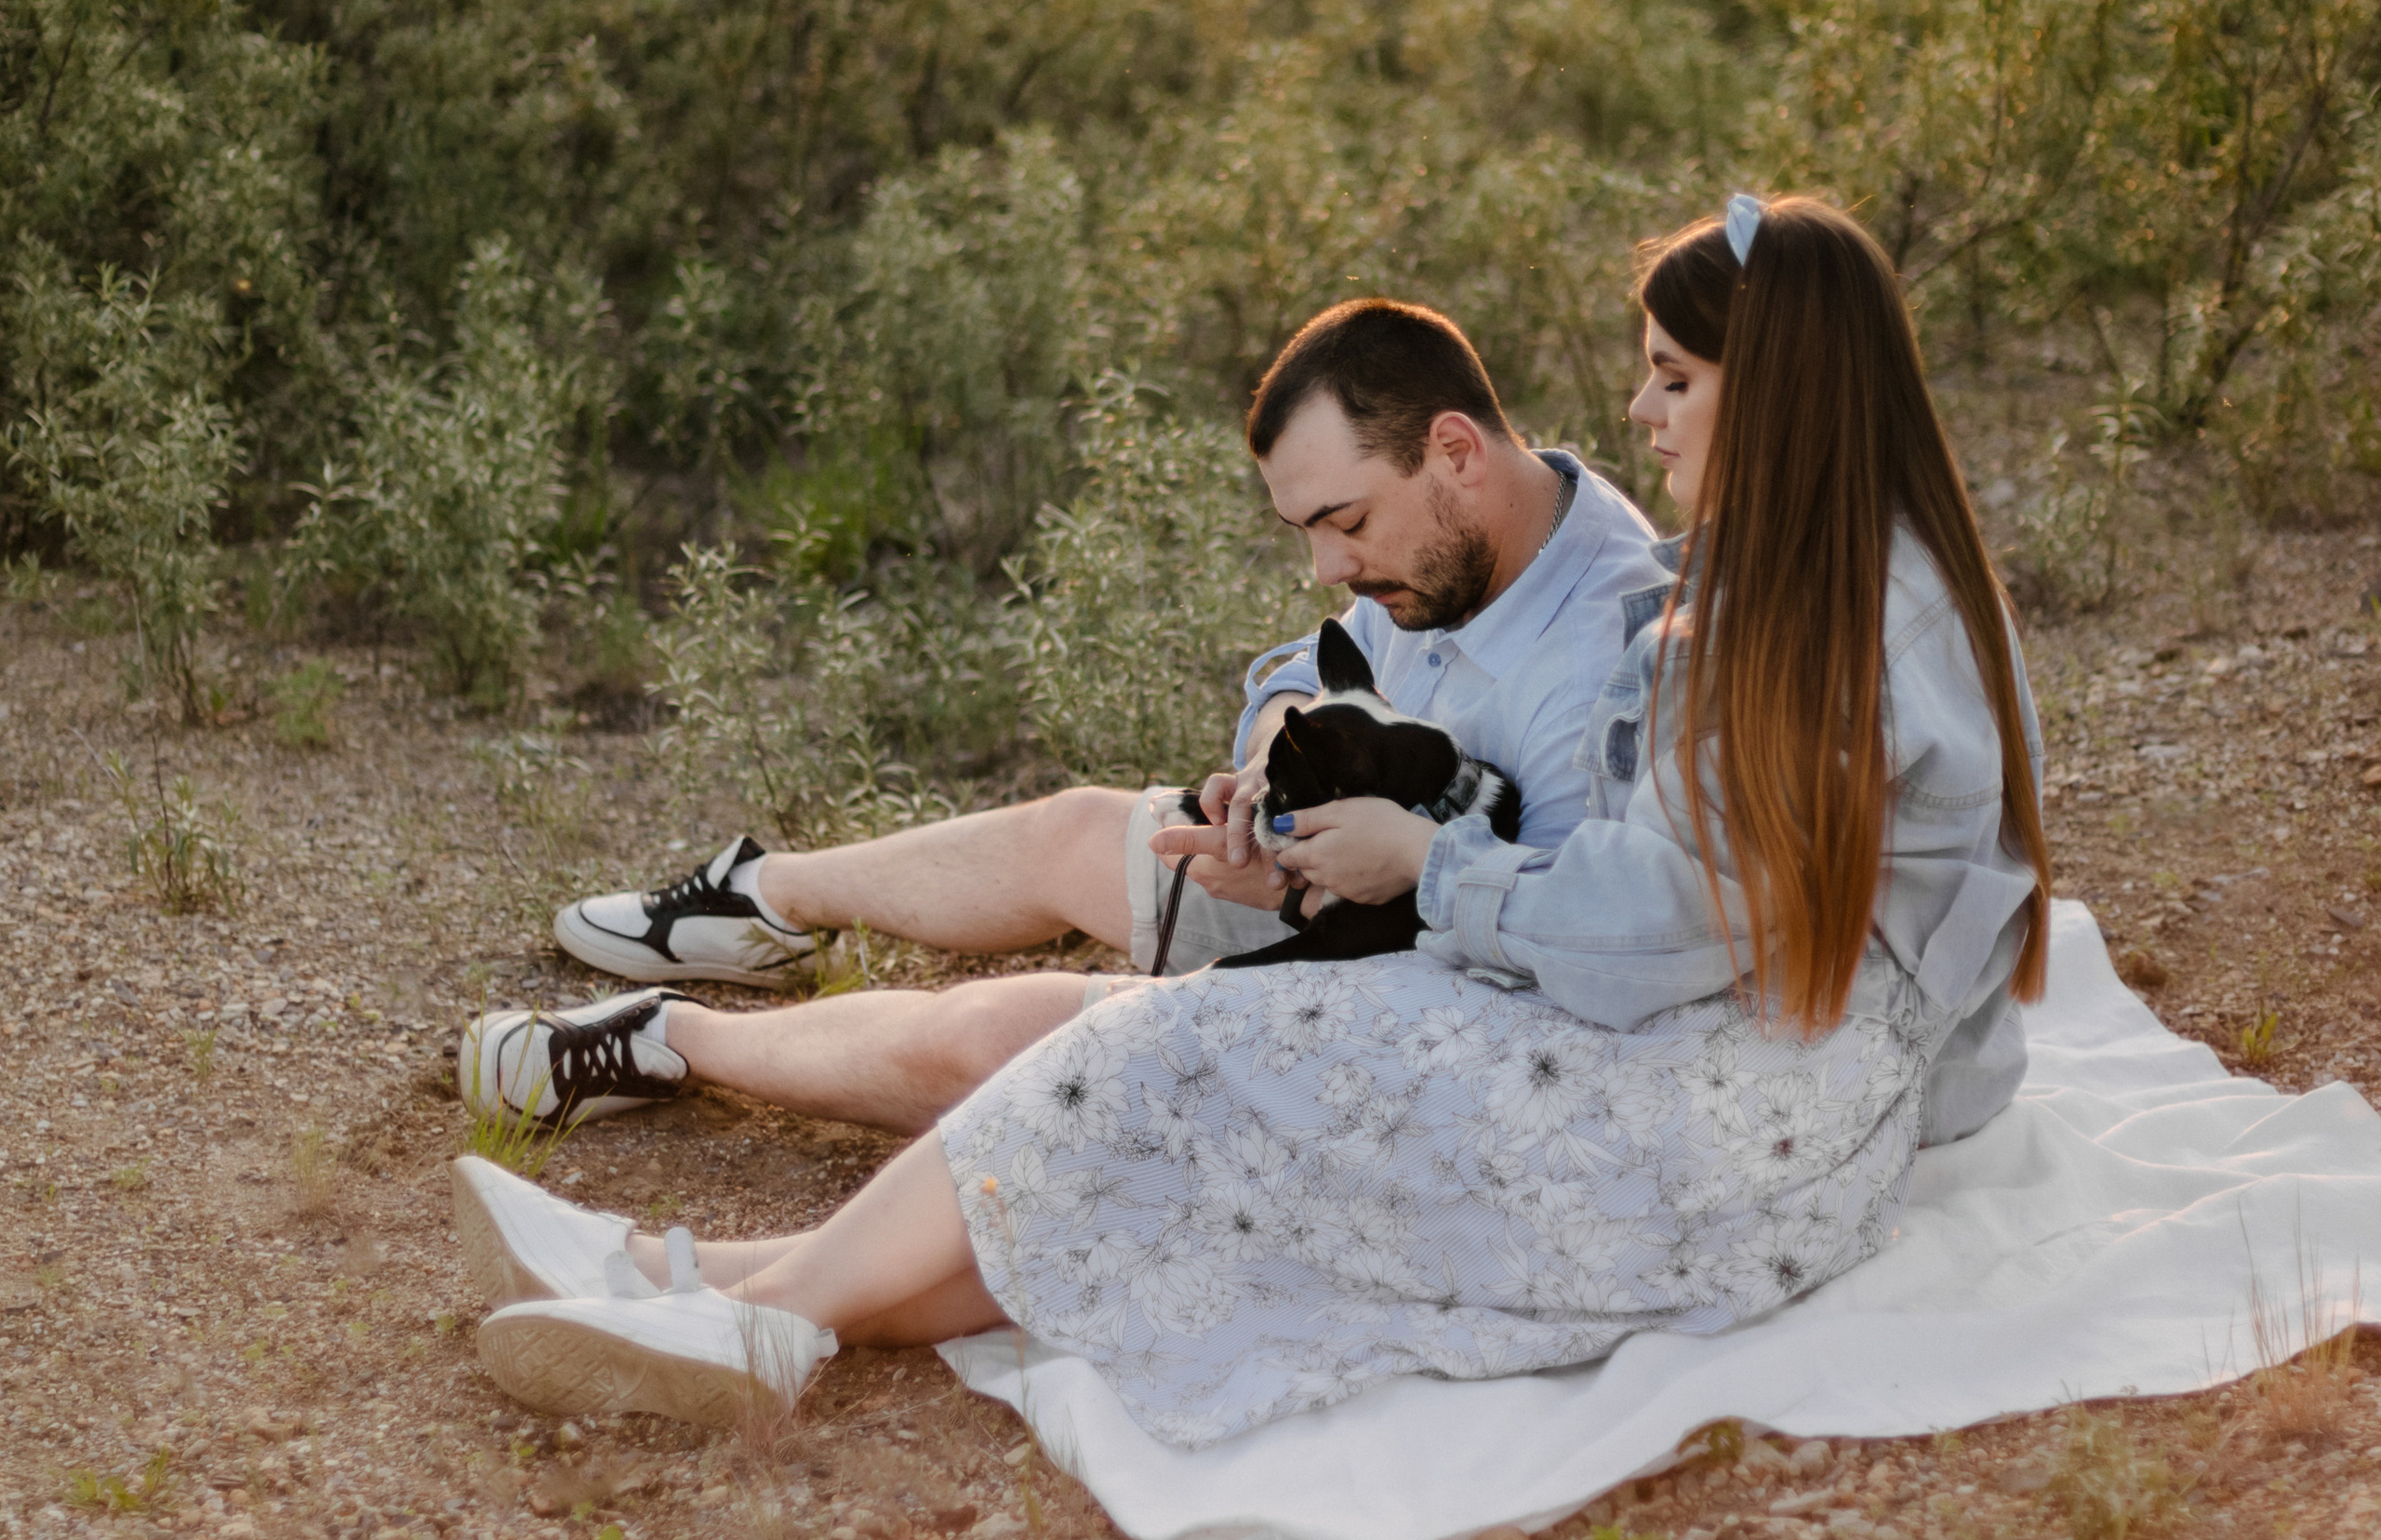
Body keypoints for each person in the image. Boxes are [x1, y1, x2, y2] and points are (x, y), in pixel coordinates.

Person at [459, 194, 2055, 1439]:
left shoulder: (1806, 615)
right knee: (1174, 1080)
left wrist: (1420, 878)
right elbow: (1678, 884)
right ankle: (712, 1283)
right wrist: (1306, 788)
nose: (1644, 409)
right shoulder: (1831, 574)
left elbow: (1645, 926)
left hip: (1731, 1110)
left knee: (1151, 1065)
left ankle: (750, 1302)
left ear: (1777, 387)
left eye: (1677, 376)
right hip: (1740, 1070)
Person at [458, 299, 1656, 1137]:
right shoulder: (1448, 537)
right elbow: (1317, 659)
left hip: (1417, 1018)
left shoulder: (1612, 656)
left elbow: (1548, 957)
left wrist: (1319, 893)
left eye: (1344, 525)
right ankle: (765, 902)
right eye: (1306, 534)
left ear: (1453, 452)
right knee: (1079, 832)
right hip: (1352, 909)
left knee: (1013, 1040)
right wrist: (1273, 742)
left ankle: (666, 1041)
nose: (1327, 565)